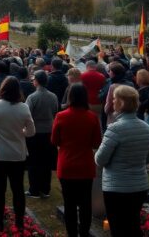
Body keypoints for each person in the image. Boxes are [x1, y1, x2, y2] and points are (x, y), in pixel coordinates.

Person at [95, 86, 149, 237]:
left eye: (114, 99)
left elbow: (100, 159)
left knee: (118, 227)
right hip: (139, 185)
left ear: (121, 103)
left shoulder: (115, 129)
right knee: (133, 225)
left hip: (117, 187)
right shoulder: (146, 127)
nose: (112, 102)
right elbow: (148, 157)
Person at [0, 76, 36, 232]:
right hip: (17, 154)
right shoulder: (23, 108)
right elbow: (31, 131)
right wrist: (20, 132)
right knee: (18, 189)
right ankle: (19, 223)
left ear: (3, 89)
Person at [52, 84, 102, 237]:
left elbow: (54, 140)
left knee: (69, 204)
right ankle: (84, 233)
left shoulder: (61, 116)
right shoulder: (92, 117)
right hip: (85, 165)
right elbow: (96, 143)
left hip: (67, 164)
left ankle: (72, 233)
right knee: (85, 203)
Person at [25, 70, 59, 198]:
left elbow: (27, 116)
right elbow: (55, 112)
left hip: (35, 133)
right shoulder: (53, 96)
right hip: (49, 132)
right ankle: (45, 189)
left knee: (34, 162)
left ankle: (34, 189)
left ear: (37, 81)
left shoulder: (32, 97)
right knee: (46, 161)